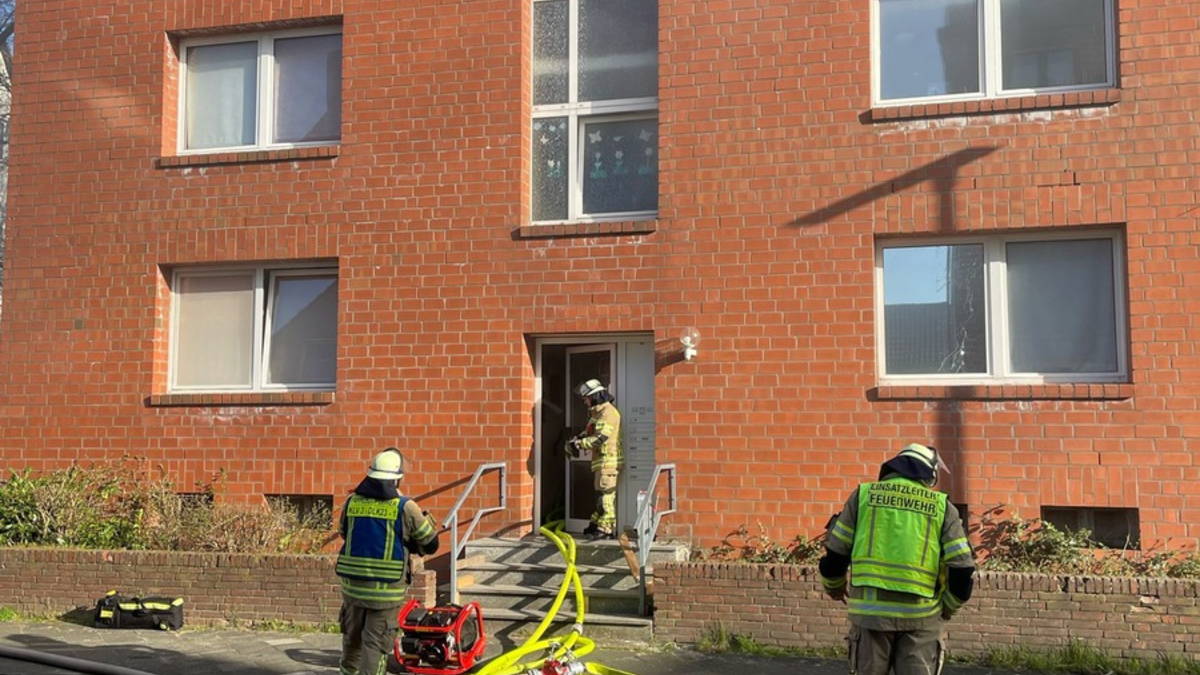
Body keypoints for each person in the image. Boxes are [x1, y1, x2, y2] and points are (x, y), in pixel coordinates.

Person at [818, 443, 976, 675]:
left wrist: (834, 587)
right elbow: (962, 568)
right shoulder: (942, 507)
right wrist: (948, 607)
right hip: (921, 619)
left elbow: (836, 554)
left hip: (871, 617)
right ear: (930, 473)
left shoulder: (863, 496)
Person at [336, 447, 439, 675]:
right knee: (375, 645)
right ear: (396, 479)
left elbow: (344, 533)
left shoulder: (352, 503)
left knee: (352, 641)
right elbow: (431, 543)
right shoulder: (405, 507)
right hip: (385, 593)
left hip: (353, 589)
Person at [567, 379, 623, 541]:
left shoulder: (608, 413)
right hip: (601, 463)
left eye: (586, 398)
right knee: (598, 496)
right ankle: (595, 524)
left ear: (595, 396)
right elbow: (589, 432)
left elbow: (600, 438)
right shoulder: (597, 414)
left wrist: (579, 444)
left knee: (605, 497)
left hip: (609, 462)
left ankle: (606, 529)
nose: (584, 402)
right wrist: (575, 439)